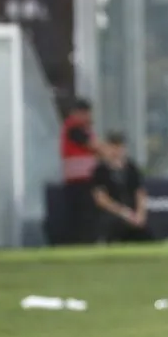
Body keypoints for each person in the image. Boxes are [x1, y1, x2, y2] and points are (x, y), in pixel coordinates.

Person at [91, 132, 154, 243]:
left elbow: (140, 193)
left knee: (146, 233)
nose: (116, 151)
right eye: (113, 147)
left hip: (133, 214)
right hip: (113, 215)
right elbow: (101, 199)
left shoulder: (131, 168)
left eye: (119, 147)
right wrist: (124, 213)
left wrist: (140, 214)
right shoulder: (100, 171)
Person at [60, 98, 104, 244]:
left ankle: (87, 240)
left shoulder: (83, 129)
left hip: (85, 178)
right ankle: (81, 241)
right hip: (78, 180)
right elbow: (93, 146)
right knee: (81, 216)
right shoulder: (74, 128)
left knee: (87, 215)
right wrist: (109, 150)